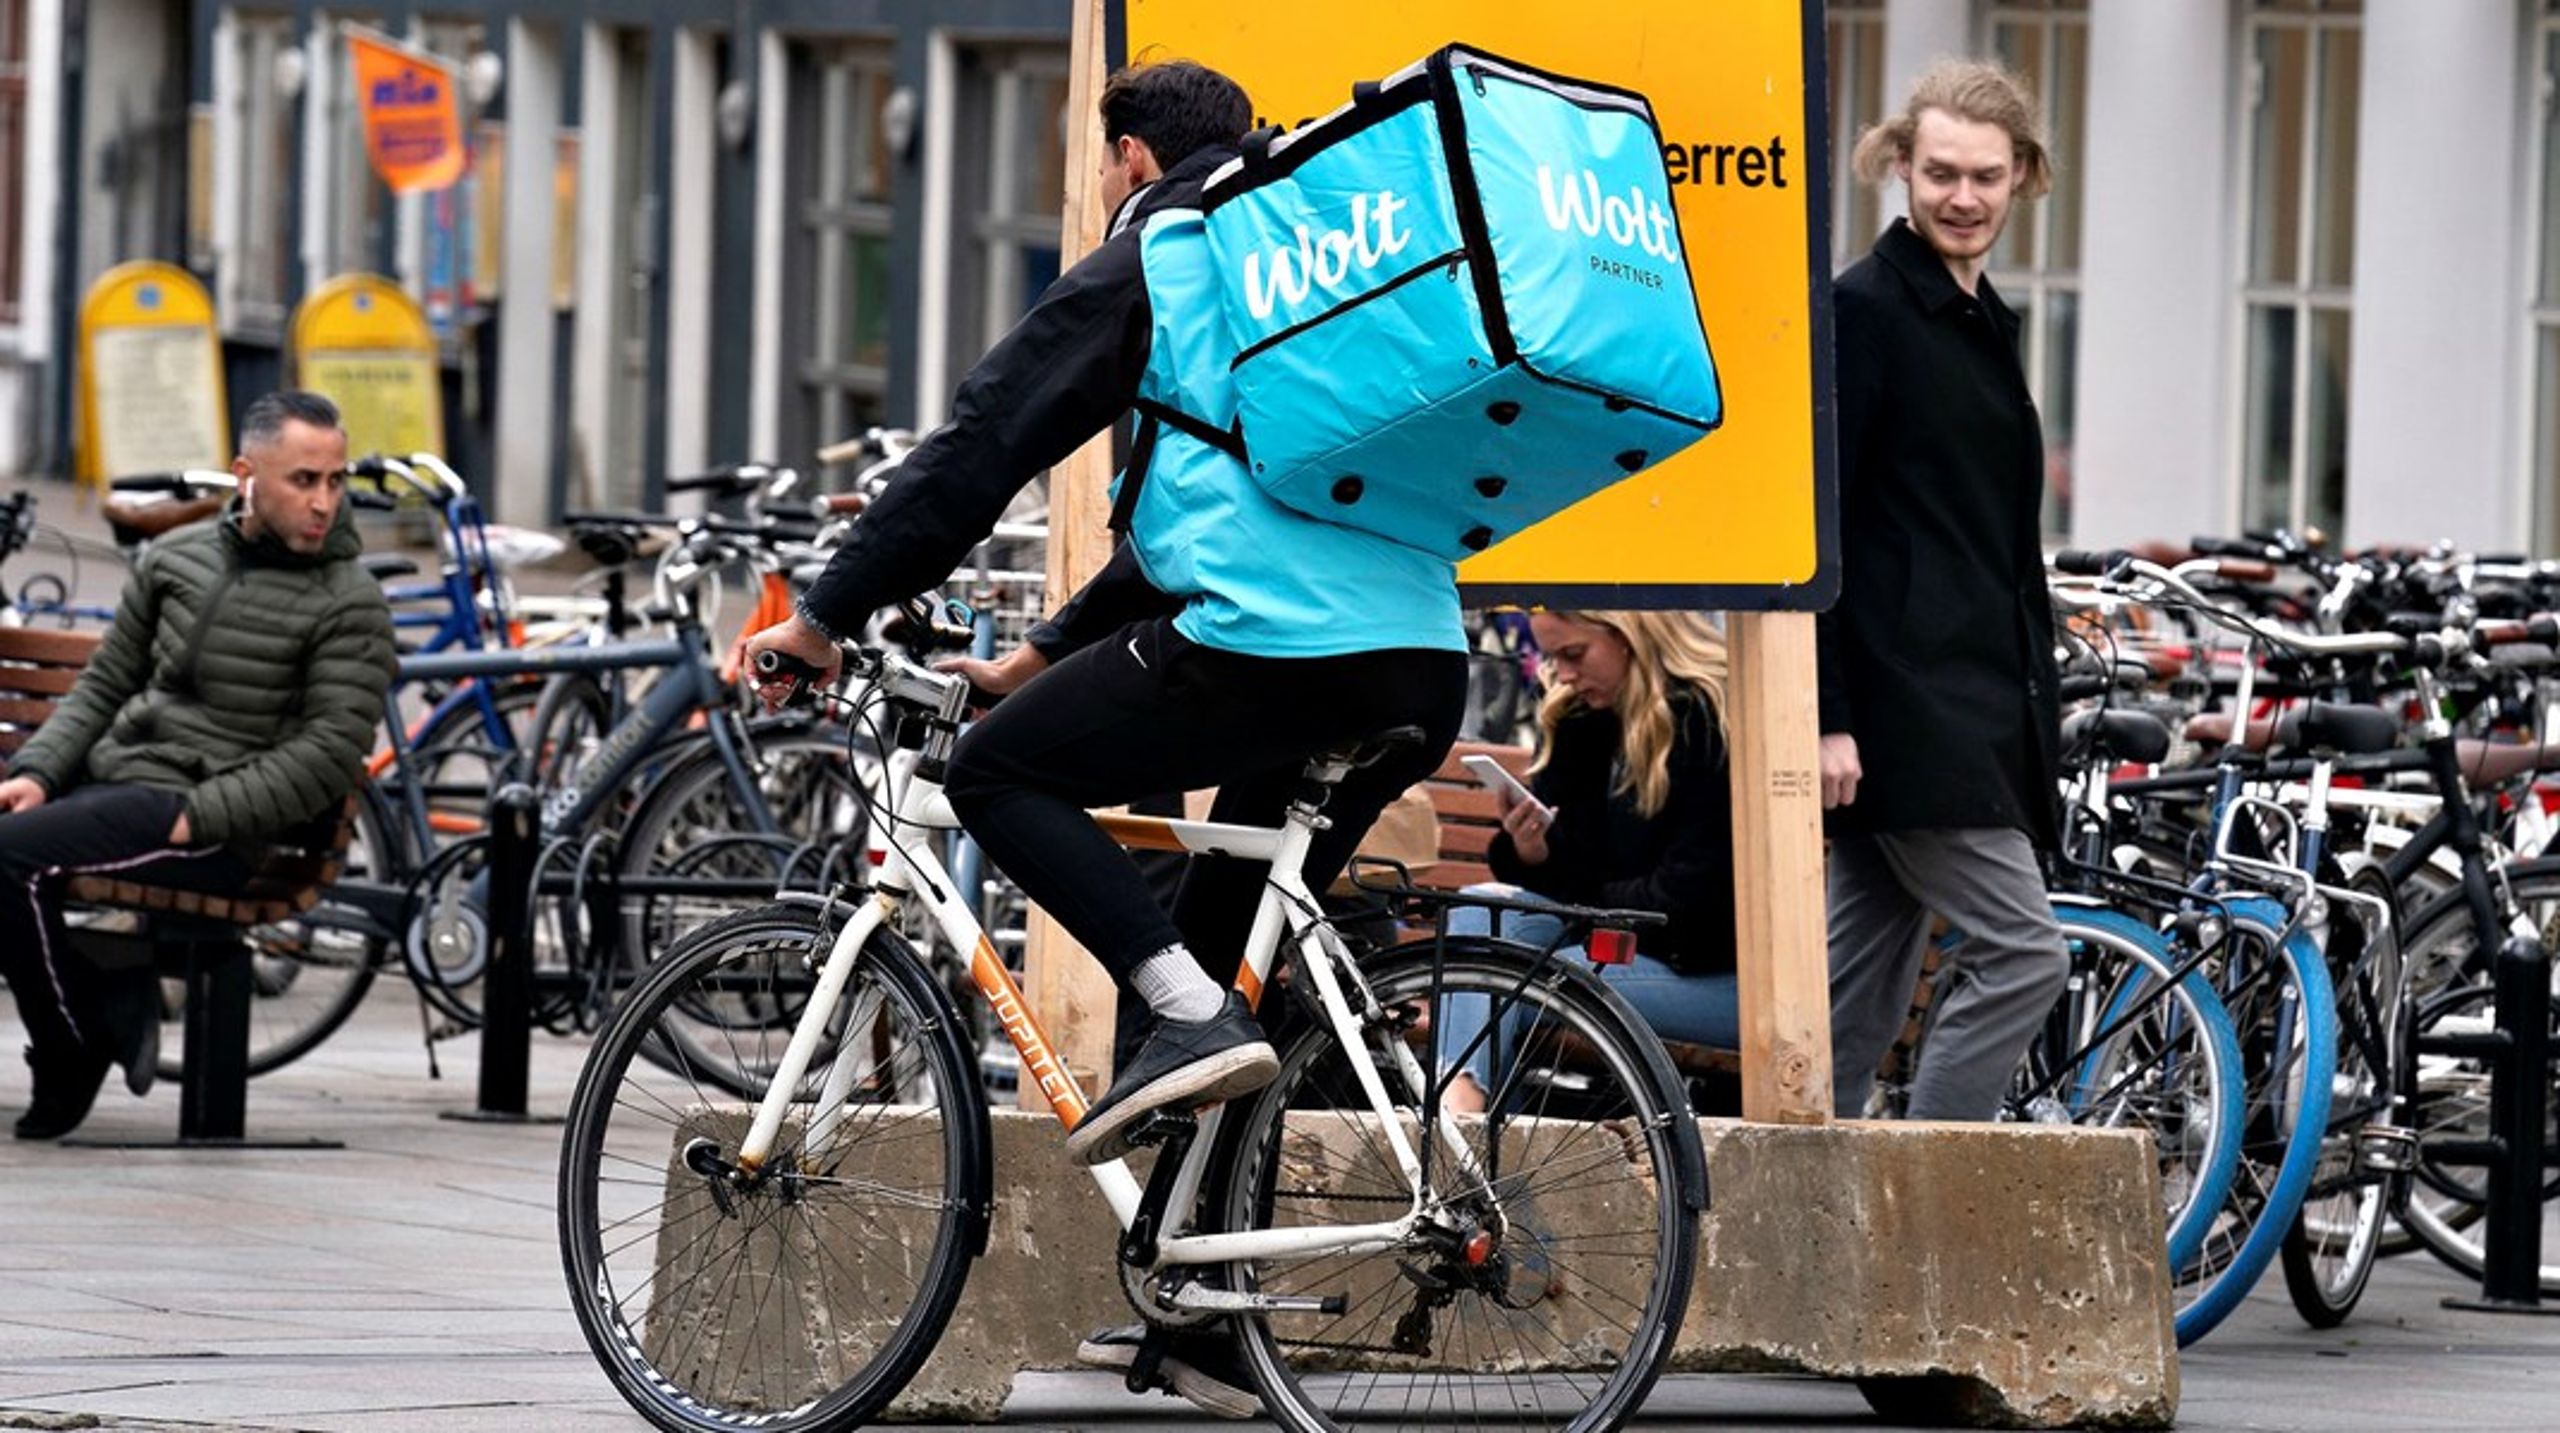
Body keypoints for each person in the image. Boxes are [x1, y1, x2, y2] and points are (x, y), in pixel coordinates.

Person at [744, 60, 1467, 1420]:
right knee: (1229, 972)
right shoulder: (1304, 255)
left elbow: (984, 441)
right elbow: (1221, 498)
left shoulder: (1169, 249)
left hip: (1271, 648)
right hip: (1420, 661)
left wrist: (830, 611)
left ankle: (1188, 1021)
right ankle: (1208, 1320)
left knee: (998, 773)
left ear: (1131, 159)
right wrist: (1036, 656)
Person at [0, 390, 398, 1139]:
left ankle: (71, 1044)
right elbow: (108, 681)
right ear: (246, 474)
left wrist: (200, 814)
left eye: (335, 481)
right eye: (302, 480)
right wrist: (43, 771)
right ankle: (107, 1000)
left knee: (9, 862)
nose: (323, 502)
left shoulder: (349, 604)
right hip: (123, 784)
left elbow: (322, 758)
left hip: (213, 825)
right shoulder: (176, 558)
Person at [1818, 59, 2070, 1122]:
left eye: (1984, 175)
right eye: (1938, 173)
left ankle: (1764, 1227)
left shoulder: (1981, 317)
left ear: (2022, 180)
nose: (1961, 197)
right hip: (1907, 712)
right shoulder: (1863, 311)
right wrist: (1825, 719)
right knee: (2025, 954)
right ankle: (1928, 1188)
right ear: (1899, 170)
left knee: (1850, 1004)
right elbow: (1816, 524)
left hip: (1970, 700)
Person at [1431, 610, 1739, 1117]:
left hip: (1708, 977)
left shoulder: (1707, 721)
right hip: (1620, 942)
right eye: (1553, 657)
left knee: (1497, 979)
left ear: (1631, 637)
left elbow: (1684, 904)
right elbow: (1578, 873)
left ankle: (1460, 1138)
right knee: (1480, 911)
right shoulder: (1584, 719)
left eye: (1573, 654)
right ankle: (1463, 1113)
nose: (1563, 674)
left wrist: (1580, 896)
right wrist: (1535, 852)